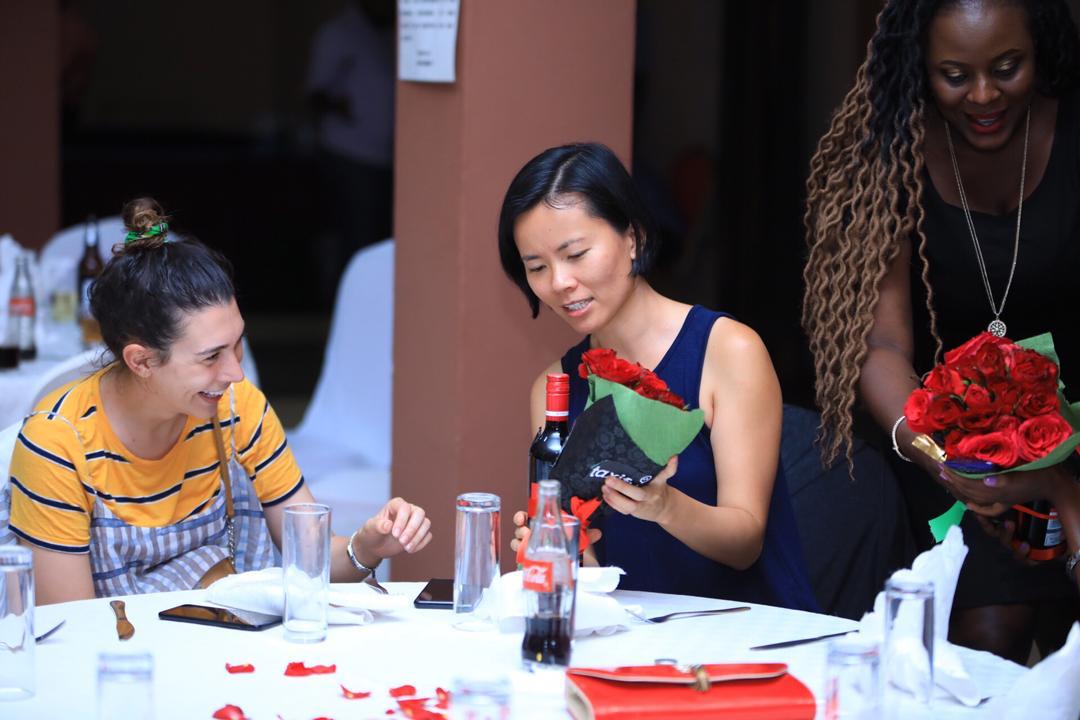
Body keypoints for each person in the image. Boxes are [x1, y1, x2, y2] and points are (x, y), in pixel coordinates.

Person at [802, 0, 1080, 661]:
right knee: (986, 631)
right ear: (920, 67)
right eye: (955, 75)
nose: (983, 95)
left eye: (1007, 68)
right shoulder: (890, 153)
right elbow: (880, 344)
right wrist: (942, 457)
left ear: (1039, 50)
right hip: (951, 436)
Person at [7, 198, 431, 604]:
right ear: (141, 361)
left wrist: (368, 545)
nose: (235, 374)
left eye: (237, 344)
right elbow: (71, 624)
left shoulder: (237, 406)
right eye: (210, 357)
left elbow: (312, 560)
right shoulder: (57, 444)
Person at [498, 143, 819, 611]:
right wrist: (557, 547)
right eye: (537, 267)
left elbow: (746, 540)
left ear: (633, 238)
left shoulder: (727, 350)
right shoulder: (556, 387)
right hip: (625, 633)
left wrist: (664, 506)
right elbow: (587, 560)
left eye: (576, 254)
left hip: (743, 631)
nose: (559, 282)